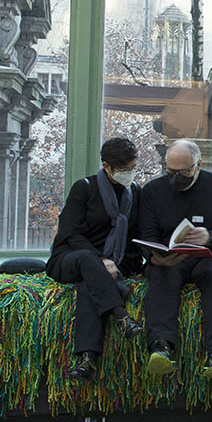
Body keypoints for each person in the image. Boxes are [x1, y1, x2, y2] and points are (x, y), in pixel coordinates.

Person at [139, 138, 212, 383]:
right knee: (162, 276)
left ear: (199, 165)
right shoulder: (153, 191)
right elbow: (145, 234)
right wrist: (153, 256)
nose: (177, 177)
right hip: (170, 257)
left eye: (184, 172)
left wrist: (211, 236)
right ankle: (160, 347)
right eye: (171, 172)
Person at [46, 137, 144, 381]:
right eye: (123, 170)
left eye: (132, 169)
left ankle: (87, 360)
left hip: (114, 264)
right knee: (90, 262)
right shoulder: (85, 188)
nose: (128, 175)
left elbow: (137, 236)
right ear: (106, 166)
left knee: (92, 285)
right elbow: (70, 232)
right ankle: (122, 317)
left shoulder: (136, 193)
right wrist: (101, 259)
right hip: (71, 257)